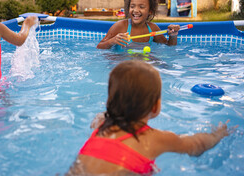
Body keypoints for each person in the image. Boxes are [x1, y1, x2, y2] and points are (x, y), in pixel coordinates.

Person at [67, 60, 236, 175]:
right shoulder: (155, 139)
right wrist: (218, 134)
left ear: (109, 101)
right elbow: (196, 145)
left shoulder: (101, 123)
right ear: (155, 107)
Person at [97, 0, 180, 49]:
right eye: (132, 6)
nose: (135, 10)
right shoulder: (120, 26)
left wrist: (173, 35)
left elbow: (169, 47)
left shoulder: (152, 29)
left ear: (150, 11)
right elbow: (99, 47)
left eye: (141, 7)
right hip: (122, 63)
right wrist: (112, 41)